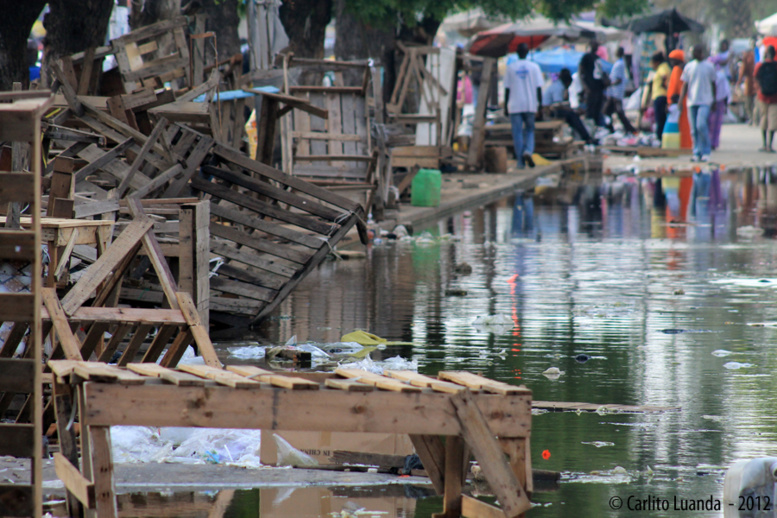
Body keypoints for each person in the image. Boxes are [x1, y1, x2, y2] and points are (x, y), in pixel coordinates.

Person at [504, 42, 544, 168]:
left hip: (515, 105)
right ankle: (528, 151)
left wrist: (505, 105)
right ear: (527, 52)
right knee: (530, 130)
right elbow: (539, 89)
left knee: (517, 132)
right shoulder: (534, 67)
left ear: (517, 53)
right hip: (530, 104)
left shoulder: (511, 68)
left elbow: (507, 89)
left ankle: (520, 162)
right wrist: (540, 105)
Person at [680, 46, 717, 162]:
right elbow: (685, 85)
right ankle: (696, 152)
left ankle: (706, 152)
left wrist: (714, 100)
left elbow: (713, 84)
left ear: (701, 52)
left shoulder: (709, 66)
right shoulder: (689, 67)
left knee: (701, 125)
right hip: (692, 101)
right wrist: (680, 100)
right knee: (693, 129)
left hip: (705, 101)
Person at [543, 68, 595, 145]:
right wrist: (572, 110)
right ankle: (587, 138)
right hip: (549, 112)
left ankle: (583, 137)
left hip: (552, 110)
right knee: (572, 115)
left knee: (572, 115)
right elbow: (557, 105)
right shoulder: (558, 87)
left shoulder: (558, 85)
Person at [603, 47, 638, 134]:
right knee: (610, 112)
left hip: (616, 93)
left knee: (617, 112)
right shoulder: (619, 63)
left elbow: (618, 80)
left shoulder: (619, 64)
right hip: (614, 93)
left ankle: (630, 129)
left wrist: (609, 84)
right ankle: (611, 128)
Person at [579, 40, 609, 130]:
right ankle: (589, 130)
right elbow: (581, 72)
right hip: (591, 88)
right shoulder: (586, 57)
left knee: (597, 110)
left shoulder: (597, 58)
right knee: (590, 111)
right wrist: (585, 86)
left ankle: (596, 130)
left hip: (598, 88)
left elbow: (600, 73)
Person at [642, 52, 672, 142]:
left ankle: (660, 139)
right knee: (660, 119)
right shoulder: (663, 67)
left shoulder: (663, 67)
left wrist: (664, 85)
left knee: (660, 119)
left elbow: (664, 76)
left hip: (661, 97)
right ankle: (660, 138)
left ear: (657, 62)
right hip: (659, 96)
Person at [667, 49, 692, 150]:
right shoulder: (682, 69)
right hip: (681, 100)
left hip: (678, 101)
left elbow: (676, 86)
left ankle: (684, 145)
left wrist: (673, 101)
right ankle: (685, 144)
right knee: (684, 123)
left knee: (682, 124)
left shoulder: (677, 70)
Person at [754, 45, 777, 152]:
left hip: (762, 96)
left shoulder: (760, 66)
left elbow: (756, 77)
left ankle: (764, 144)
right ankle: (770, 145)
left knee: (764, 118)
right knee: (773, 119)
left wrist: (759, 89)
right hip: (775, 97)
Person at [708, 62, 730, 150]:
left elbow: (725, 91)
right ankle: (713, 142)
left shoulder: (719, 76)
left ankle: (711, 142)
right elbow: (726, 92)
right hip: (717, 101)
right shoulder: (721, 76)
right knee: (716, 123)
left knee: (711, 123)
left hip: (713, 101)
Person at [737, 37, 757, 125]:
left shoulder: (748, 55)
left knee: (749, 101)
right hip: (756, 81)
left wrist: (739, 81)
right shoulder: (758, 52)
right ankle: (754, 118)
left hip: (751, 81)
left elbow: (743, 69)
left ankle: (752, 118)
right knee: (754, 101)